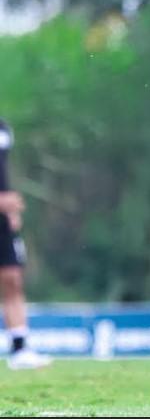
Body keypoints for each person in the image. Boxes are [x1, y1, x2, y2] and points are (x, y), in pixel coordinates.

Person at [0, 119, 52, 370]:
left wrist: (10, 209)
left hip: (2, 222)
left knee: (12, 278)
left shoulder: (4, 129)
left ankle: (20, 348)